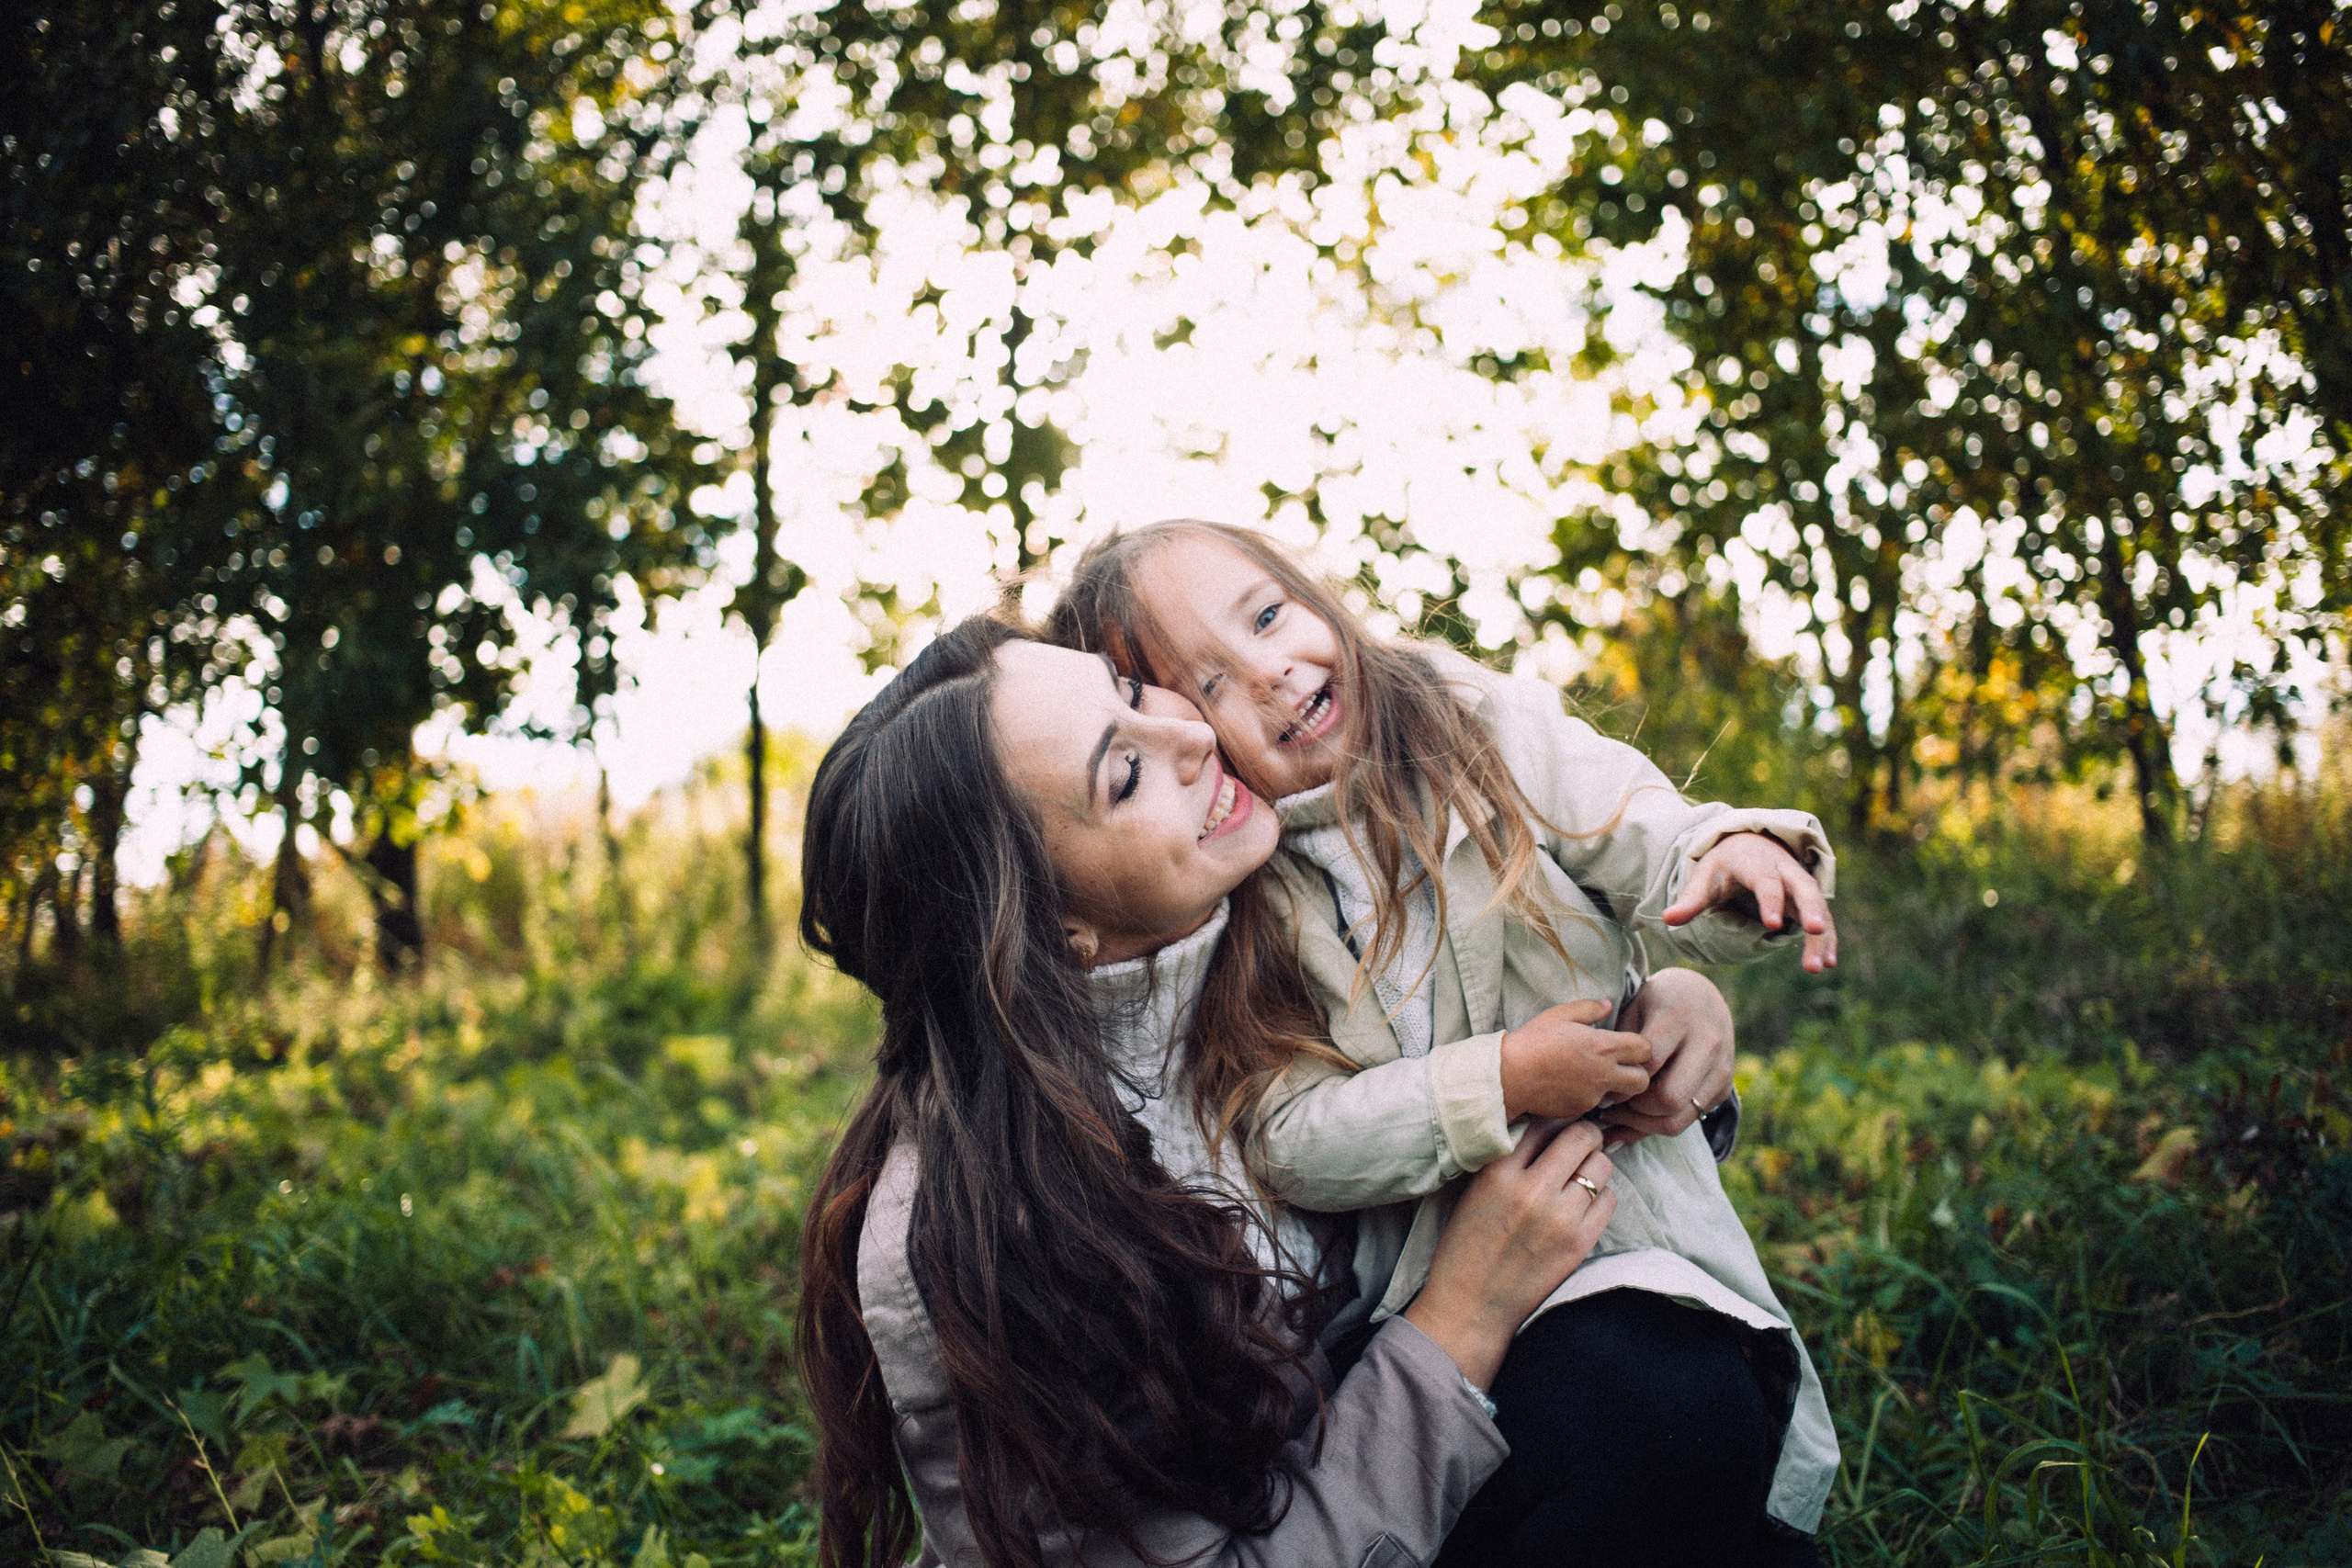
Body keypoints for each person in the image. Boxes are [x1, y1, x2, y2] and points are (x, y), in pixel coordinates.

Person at [1046, 520, 1842, 1562]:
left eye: (1270, 615)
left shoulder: (1467, 717)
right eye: (1211, 686)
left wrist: (1724, 848)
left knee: (1692, 1413)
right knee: (1616, 1449)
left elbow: (1624, 813)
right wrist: (1498, 1082)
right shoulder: (1251, 898)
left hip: (1628, 1231)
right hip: (1427, 1296)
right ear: (1192, 746)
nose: (1274, 672)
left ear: (1312, 590)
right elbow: (1288, 1136)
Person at [796, 615, 1627, 1568]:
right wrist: (1462, 1317)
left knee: (1671, 1409)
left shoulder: (1274, 921)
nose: (1191, 736)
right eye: (1123, 775)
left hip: (1398, 1474)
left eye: (1131, 688)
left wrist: (1669, 1009)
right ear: (1055, 928)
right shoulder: (990, 1235)